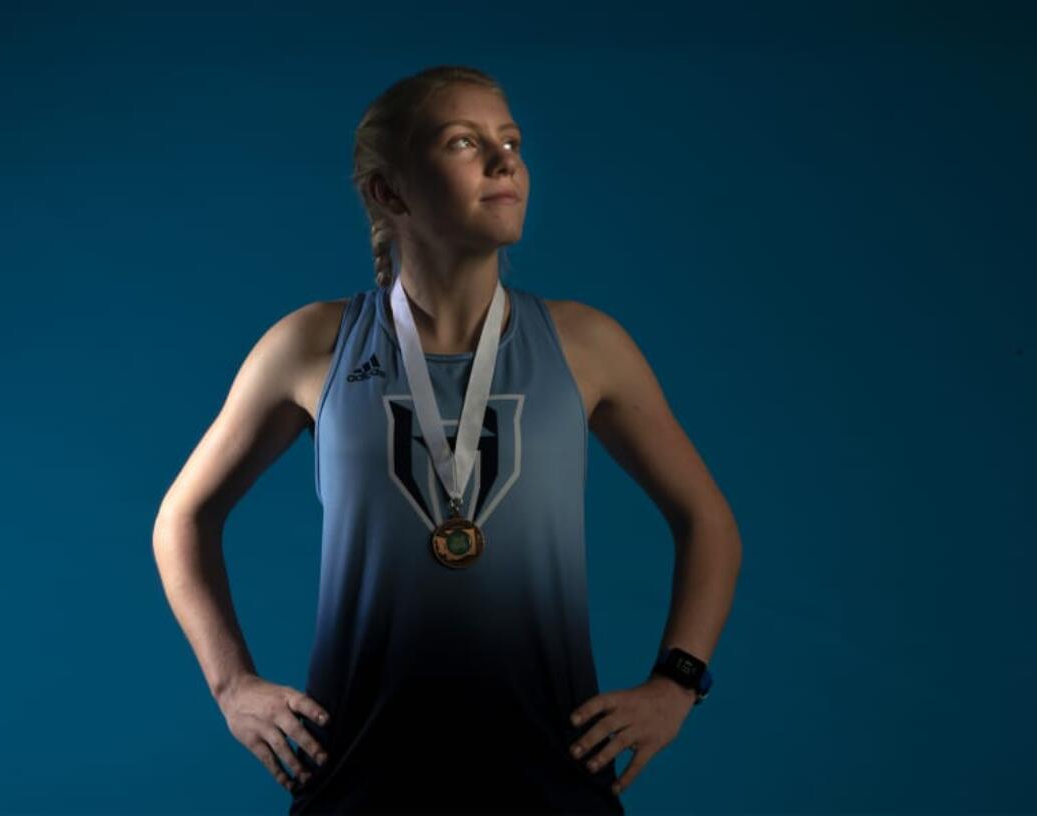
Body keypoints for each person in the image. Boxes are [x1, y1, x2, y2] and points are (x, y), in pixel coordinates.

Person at [152, 65, 742, 814]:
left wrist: (677, 683)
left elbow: (708, 521)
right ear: (388, 192)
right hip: (359, 777)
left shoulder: (587, 344)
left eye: (512, 142)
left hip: (551, 776)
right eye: (464, 142)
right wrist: (232, 684)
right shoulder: (311, 345)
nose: (505, 161)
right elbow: (182, 519)